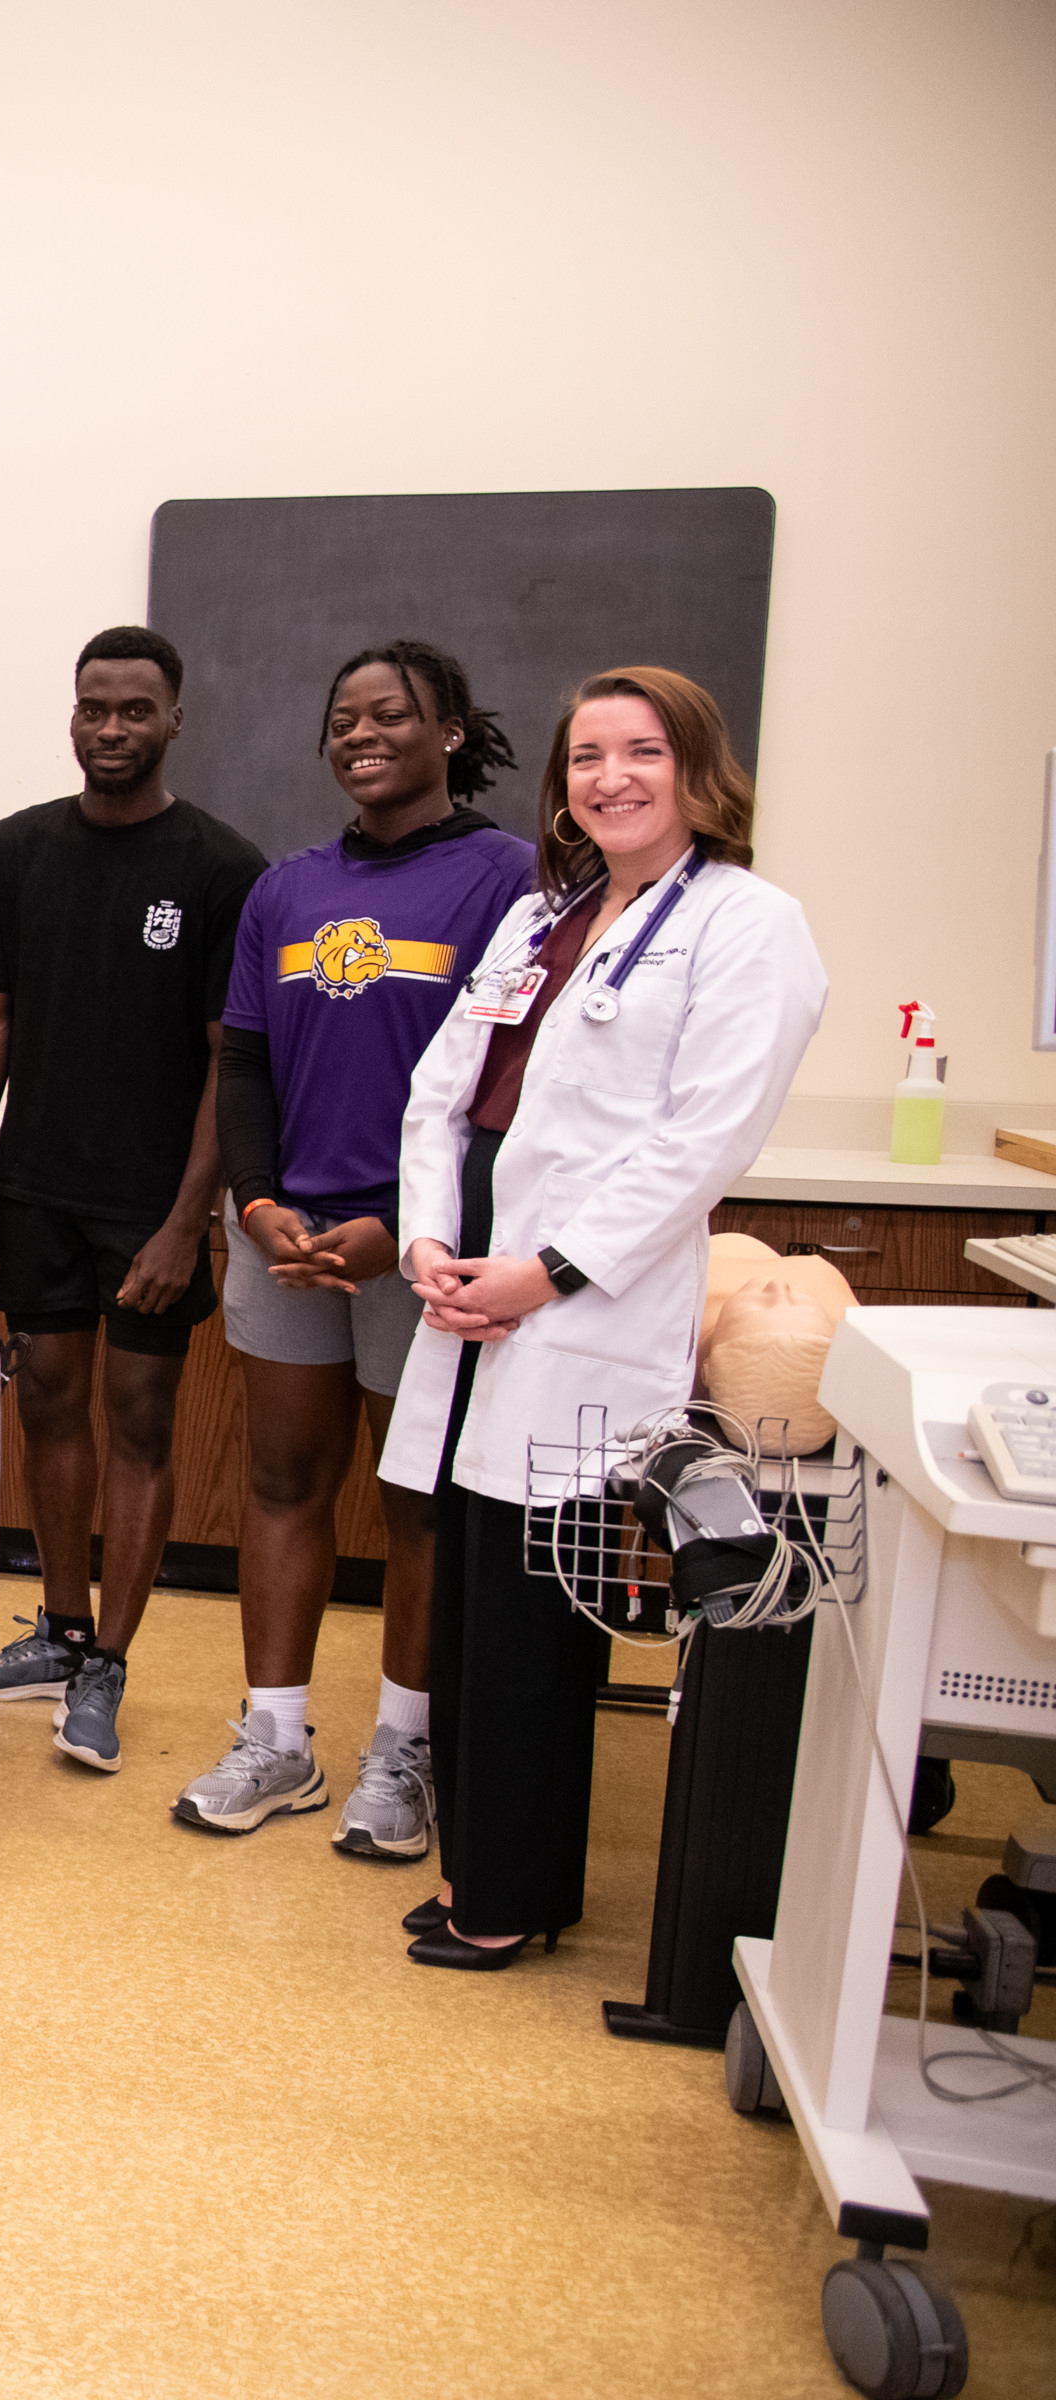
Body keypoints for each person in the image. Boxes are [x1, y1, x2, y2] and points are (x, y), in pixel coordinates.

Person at [381, 666, 823, 1968]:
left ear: (699, 770)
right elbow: (441, 1092)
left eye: (643, 752)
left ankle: (508, 1898)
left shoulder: (749, 924)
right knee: (470, 1592)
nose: (611, 778)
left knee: (532, 1615)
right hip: (472, 1290)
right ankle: (478, 1869)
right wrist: (428, 1240)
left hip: (576, 1308)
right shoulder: (545, 916)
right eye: (587, 756)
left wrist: (548, 1272)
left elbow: (704, 1141)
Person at [176, 642, 533, 1853]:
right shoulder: (287, 890)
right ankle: (276, 1740)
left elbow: (513, 1082)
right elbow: (242, 1061)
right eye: (343, 719)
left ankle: (403, 1753)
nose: (361, 734)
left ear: (450, 734)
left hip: (422, 1244)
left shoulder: (508, 882)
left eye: (391, 715)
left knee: (416, 1501)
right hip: (286, 1233)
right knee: (283, 1483)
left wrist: (405, 1227)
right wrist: (255, 1201)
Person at [0, 627, 266, 1776]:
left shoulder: (223, 868)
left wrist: (189, 1223)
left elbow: (231, 1059)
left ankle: (109, 1665)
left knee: (138, 1419)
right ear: (74, 715)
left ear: (176, 718)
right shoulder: (16, 850)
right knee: (47, 1402)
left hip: (150, 1201)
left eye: (137, 709)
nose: (113, 728)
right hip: (35, 1182)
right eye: (95, 708)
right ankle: (61, 1627)